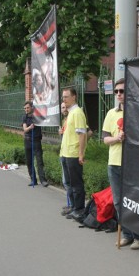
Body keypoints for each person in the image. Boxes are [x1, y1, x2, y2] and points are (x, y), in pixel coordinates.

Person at [102, 79, 139, 250]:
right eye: (116, 92)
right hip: (114, 163)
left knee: (134, 201)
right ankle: (127, 234)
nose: (119, 94)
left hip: (132, 164)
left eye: (122, 91)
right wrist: (116, 138)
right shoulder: (111, 114)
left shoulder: (136, 113)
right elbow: (105, 138)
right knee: (118, 202)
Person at [60, 87, 87, 220]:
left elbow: (82, 134)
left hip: (73, 153)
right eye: (63, 97)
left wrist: (81, 154)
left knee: (76, 183)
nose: (63, 99)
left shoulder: (77, 112)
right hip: (66, 153)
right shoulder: (70, 113)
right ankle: (73, 206)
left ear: (74, 97)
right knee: (70, 183)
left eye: (66, 96)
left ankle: (79, 208)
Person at [23, 101, 48, 187]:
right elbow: (25, 129)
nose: (26, 109)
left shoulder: (37, 116)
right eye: (25, 108)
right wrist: (30, 127)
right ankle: (33, 180)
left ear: (32, 108)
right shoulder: (25, 117)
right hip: (27, 141)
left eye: (28, 108)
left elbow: (44, 118)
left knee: (39, 161)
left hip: (36, 141)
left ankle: (43, 180)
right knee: (29, 161)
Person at [59, 102, 73, 215]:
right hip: (63, 154)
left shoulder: (73, 118)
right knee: (66, 181)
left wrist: (77, 146)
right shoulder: (64, 121)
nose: (64, 109)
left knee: (70, 182)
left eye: (66, 107)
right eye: (62, 107)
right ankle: (71, 205)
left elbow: (88, 132)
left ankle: (73, 206)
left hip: (70, 154)